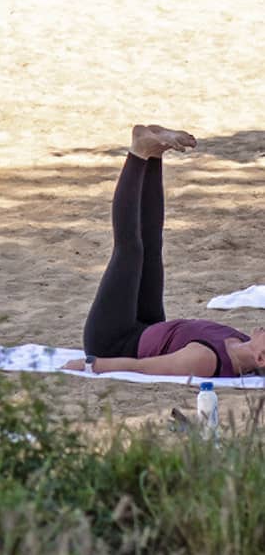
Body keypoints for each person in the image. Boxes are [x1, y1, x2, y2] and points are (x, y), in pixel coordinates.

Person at [67, 125, 265, 380]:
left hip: (114, 341)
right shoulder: (241, 340)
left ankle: (138, 154)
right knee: (151, 246)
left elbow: (142, 369)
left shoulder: (205, 361)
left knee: (129, 251)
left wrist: (90, 365)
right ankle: (154, 155)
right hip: (150, 327)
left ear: (260, 358)